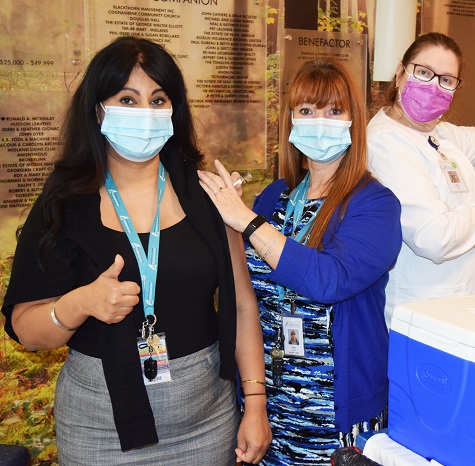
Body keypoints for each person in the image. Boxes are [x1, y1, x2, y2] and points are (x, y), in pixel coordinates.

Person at [1, 37, 271, 464]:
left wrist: (255, 404)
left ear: (173, 110)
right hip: (100, 424)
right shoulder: (65, 201)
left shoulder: (204, 192)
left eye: (158, 99)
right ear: (98, 109)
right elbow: (25, 329)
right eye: (128, 99)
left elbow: (242, 304)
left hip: (206, 417)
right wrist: (79, 303)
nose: (145, 113)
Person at [198, 58, 402, 464]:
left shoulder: (375, 204)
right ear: (291, 121)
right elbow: (243, 294)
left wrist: (246, 221)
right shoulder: (274, 197)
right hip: (266, 403)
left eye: (333, 111)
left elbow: (330, 280)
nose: (318, 121)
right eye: (306, 111)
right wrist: (227, 226)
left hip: (334, 413)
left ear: (353, 122)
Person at [366, 32, 475, 327]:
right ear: (399, 74)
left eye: (446, 80)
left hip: (462, 308)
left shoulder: (437, 133)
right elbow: (434, 238)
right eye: (423, 72)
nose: (433, 86)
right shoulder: (385, 142)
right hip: (424, 314)